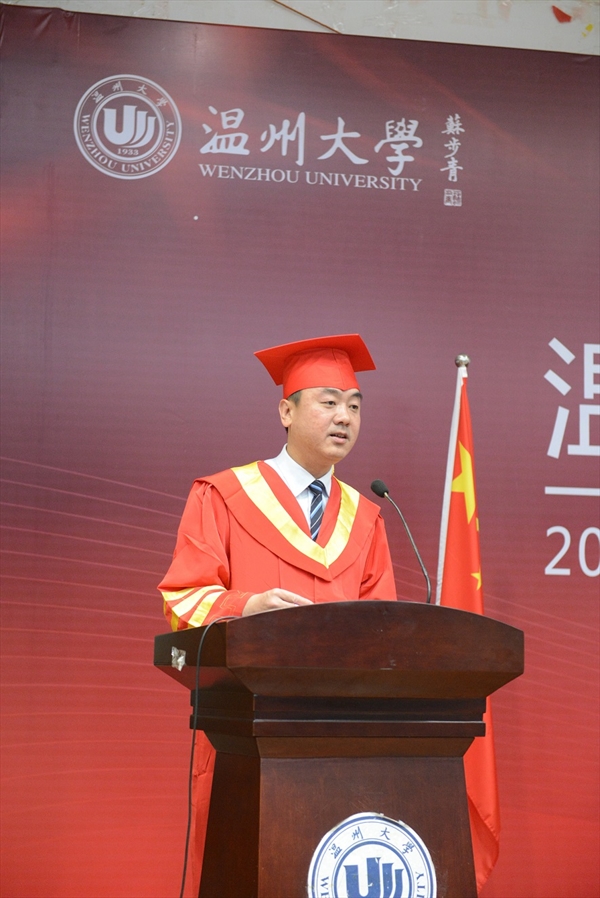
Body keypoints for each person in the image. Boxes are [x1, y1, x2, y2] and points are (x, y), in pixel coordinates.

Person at [158, 334, 397, 895]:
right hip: (246, 733)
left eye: (354, 406)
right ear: (286, 412)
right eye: (328, 402)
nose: (345, 417)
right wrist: (246, 607)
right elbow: (182, 599)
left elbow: (382, 630)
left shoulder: (367, 518)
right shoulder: (222, 495)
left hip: (341, 737)